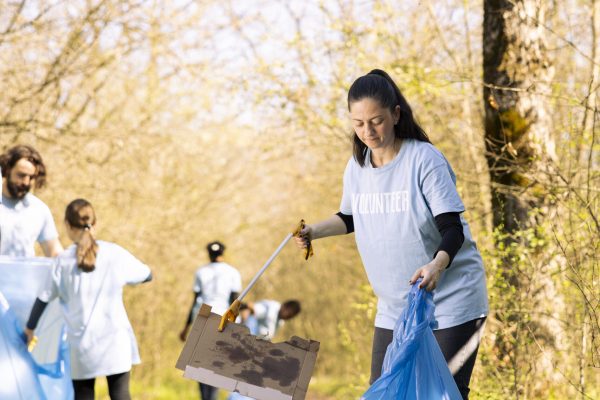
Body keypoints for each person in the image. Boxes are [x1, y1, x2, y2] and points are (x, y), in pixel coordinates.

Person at [294, 69, 488, 400]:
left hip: (451, 302)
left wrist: (435, 267)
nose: (367, 131)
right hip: (395, 306)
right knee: (384, 394)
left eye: (376, 121)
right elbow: (350, 217)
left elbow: (452, 230)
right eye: (358, 123)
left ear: (396, 114)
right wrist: (313, 231)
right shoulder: (357, 166)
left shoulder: (424, 160)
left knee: (441, 394)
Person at [24, 198, 152, 400]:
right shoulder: (114, 253)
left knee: (83, 395)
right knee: (120, 394)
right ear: (95, 223)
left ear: (67, 225)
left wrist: (30, 329)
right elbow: (147, 274)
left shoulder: (63, 262)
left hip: (81, 346)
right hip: (114, 341)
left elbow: (43, 298)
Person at [179, 240, 242, 400]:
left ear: (209, 254)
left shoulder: (201, 271)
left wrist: (186, 327)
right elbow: (234, 302)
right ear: (223, 253)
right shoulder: (233, 272)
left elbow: (195, 300)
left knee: (199, 362)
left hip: (203, 315)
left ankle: (206, 398)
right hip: (222, 318)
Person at [0, 145, 63, 257]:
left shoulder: (39, 210)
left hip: (24, 274)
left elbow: (54, 252)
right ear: (7, 170)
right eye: (21, 175)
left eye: (31, 177)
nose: (26, 182)